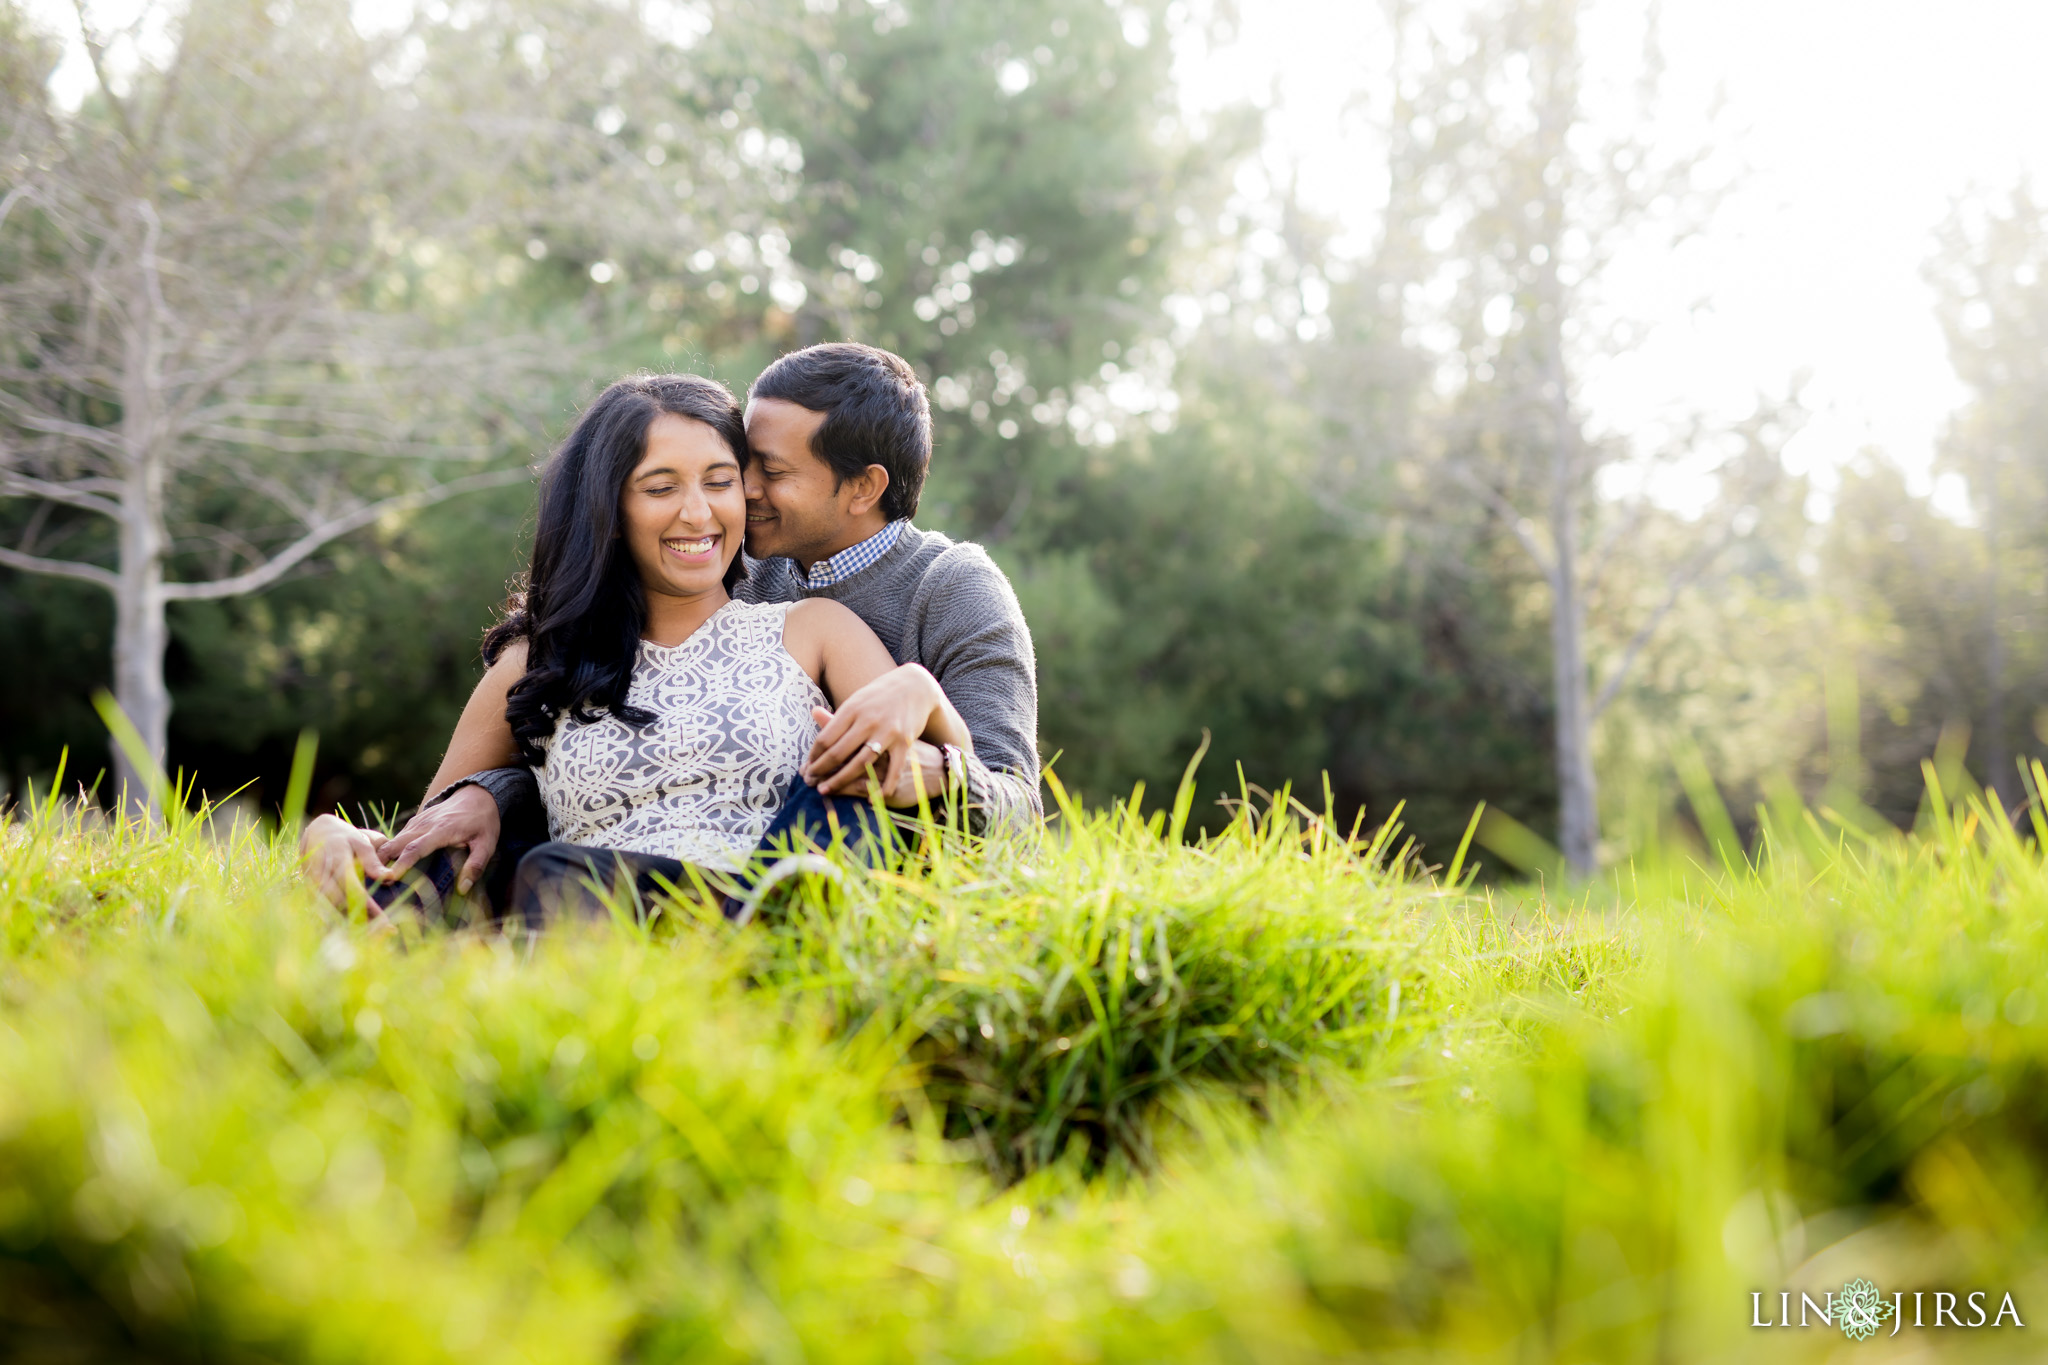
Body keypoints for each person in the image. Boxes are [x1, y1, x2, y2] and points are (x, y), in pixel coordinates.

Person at [362, 342, 1042, 900]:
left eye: (761, 471)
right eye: (738, 468)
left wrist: (929, 721)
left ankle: (779, 915)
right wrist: (491, 791)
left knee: (839, 792)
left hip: (836, 850)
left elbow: (1019, 811)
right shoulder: (743, 569)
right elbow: (614, 733)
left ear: (862, 486)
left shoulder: (953, 591)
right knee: (554, 870)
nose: (733, 497)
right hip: (623, 875)